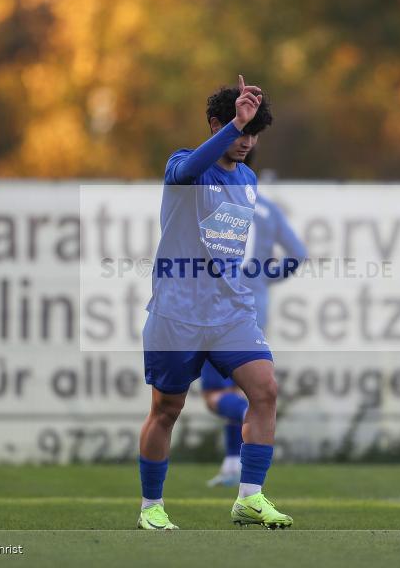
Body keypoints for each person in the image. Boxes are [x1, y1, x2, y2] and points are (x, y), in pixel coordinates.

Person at [137, 76, 293, 530]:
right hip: (176, 311)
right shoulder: (184, 165)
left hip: (229, 311)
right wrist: (234, 124)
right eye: (238, 129)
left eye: (252, 132)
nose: (246, 141)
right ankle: (151, 506)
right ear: (215, 125)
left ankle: (250, 496)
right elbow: (185, 174)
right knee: (166, 410)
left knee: (265, 390)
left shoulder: (247, 179)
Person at [202, 184, 307, 487]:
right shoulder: (268, 208)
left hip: (217, 305)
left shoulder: (214, 199)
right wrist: (263, 279)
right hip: (253, 307)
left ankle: (255, 415)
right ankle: (233, 464)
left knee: (215, 396)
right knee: (237, 386)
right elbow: (298, 254)